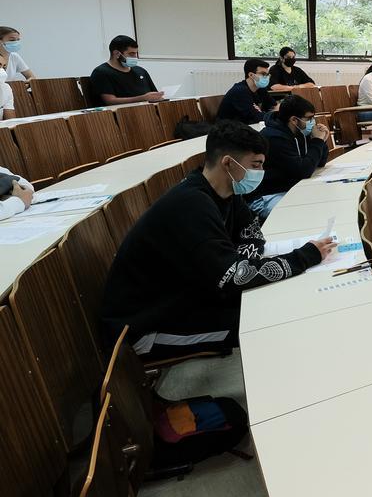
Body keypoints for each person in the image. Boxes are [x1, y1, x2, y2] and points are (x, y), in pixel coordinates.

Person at [100, 121, 337, 359]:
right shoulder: (191, 205)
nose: (260, 173)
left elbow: (252, 233)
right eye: (256, 165)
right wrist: (306, 256)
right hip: (145, 327)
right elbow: (234, 276)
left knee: (269, 299)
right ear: (227, 163)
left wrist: (240, 265)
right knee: (262, 321)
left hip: (191, 295)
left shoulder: (225, 191)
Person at [246, 95, 329, 217]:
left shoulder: (299, 131)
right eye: (309, 118)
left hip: (289, 188)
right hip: (266, 196)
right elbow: (303, 171)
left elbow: (319, 163)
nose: (313, 122)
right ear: (294, 120)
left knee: (324, 201)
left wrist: (322, 141)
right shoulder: (274, 138)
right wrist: (317, 142)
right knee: (302, 214)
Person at [88, 35, 163, 106]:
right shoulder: (101, 72)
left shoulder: (141, 71)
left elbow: (154, 94)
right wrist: (143, 98)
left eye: (136, 53)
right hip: (120, 115)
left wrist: (158, 97)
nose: (135, 57)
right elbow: (110, 101)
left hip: (146, 112)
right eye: (131, 54)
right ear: (117, 53)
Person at [216, 58, 277, 124]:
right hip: (228, 130)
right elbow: (256, 117)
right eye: (263, 74)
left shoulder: (260, 88)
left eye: (267, 75)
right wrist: (265, 113)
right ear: (251, 75)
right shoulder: (239, 91)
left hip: (246, 126)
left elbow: (275, 106)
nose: (266, 77)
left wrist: (263, 113)